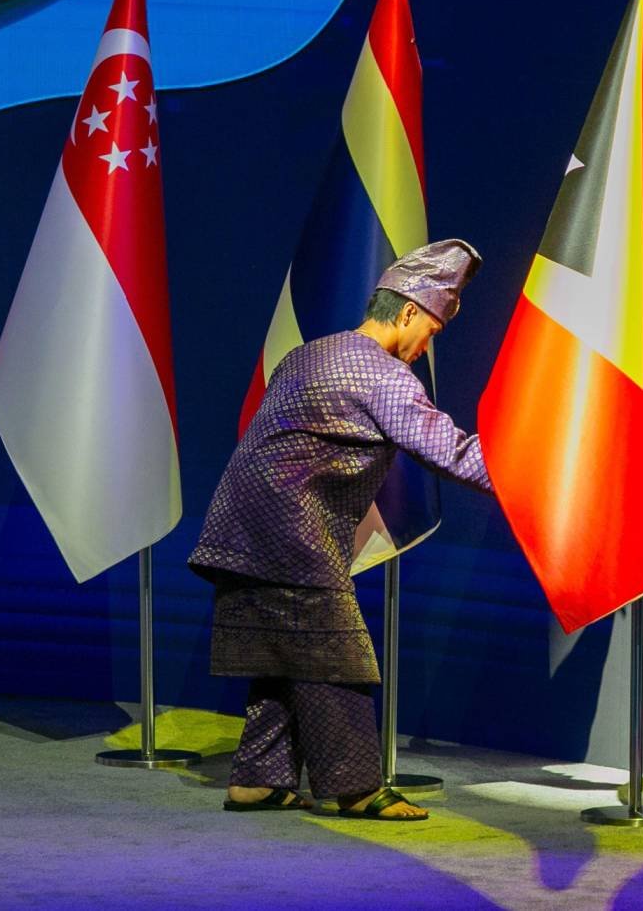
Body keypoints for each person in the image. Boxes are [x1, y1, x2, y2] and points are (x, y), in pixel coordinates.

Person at [187, 239, 490, 822]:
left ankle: (258, 781)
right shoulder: (385, 379)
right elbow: (452, 454)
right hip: (292, 539)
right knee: (337, 658)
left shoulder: (307, 354)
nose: (429, 342)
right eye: (431, 327)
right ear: (406, 312)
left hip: (235, 528)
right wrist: (541, 478)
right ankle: (356, 789)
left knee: (286, 658)